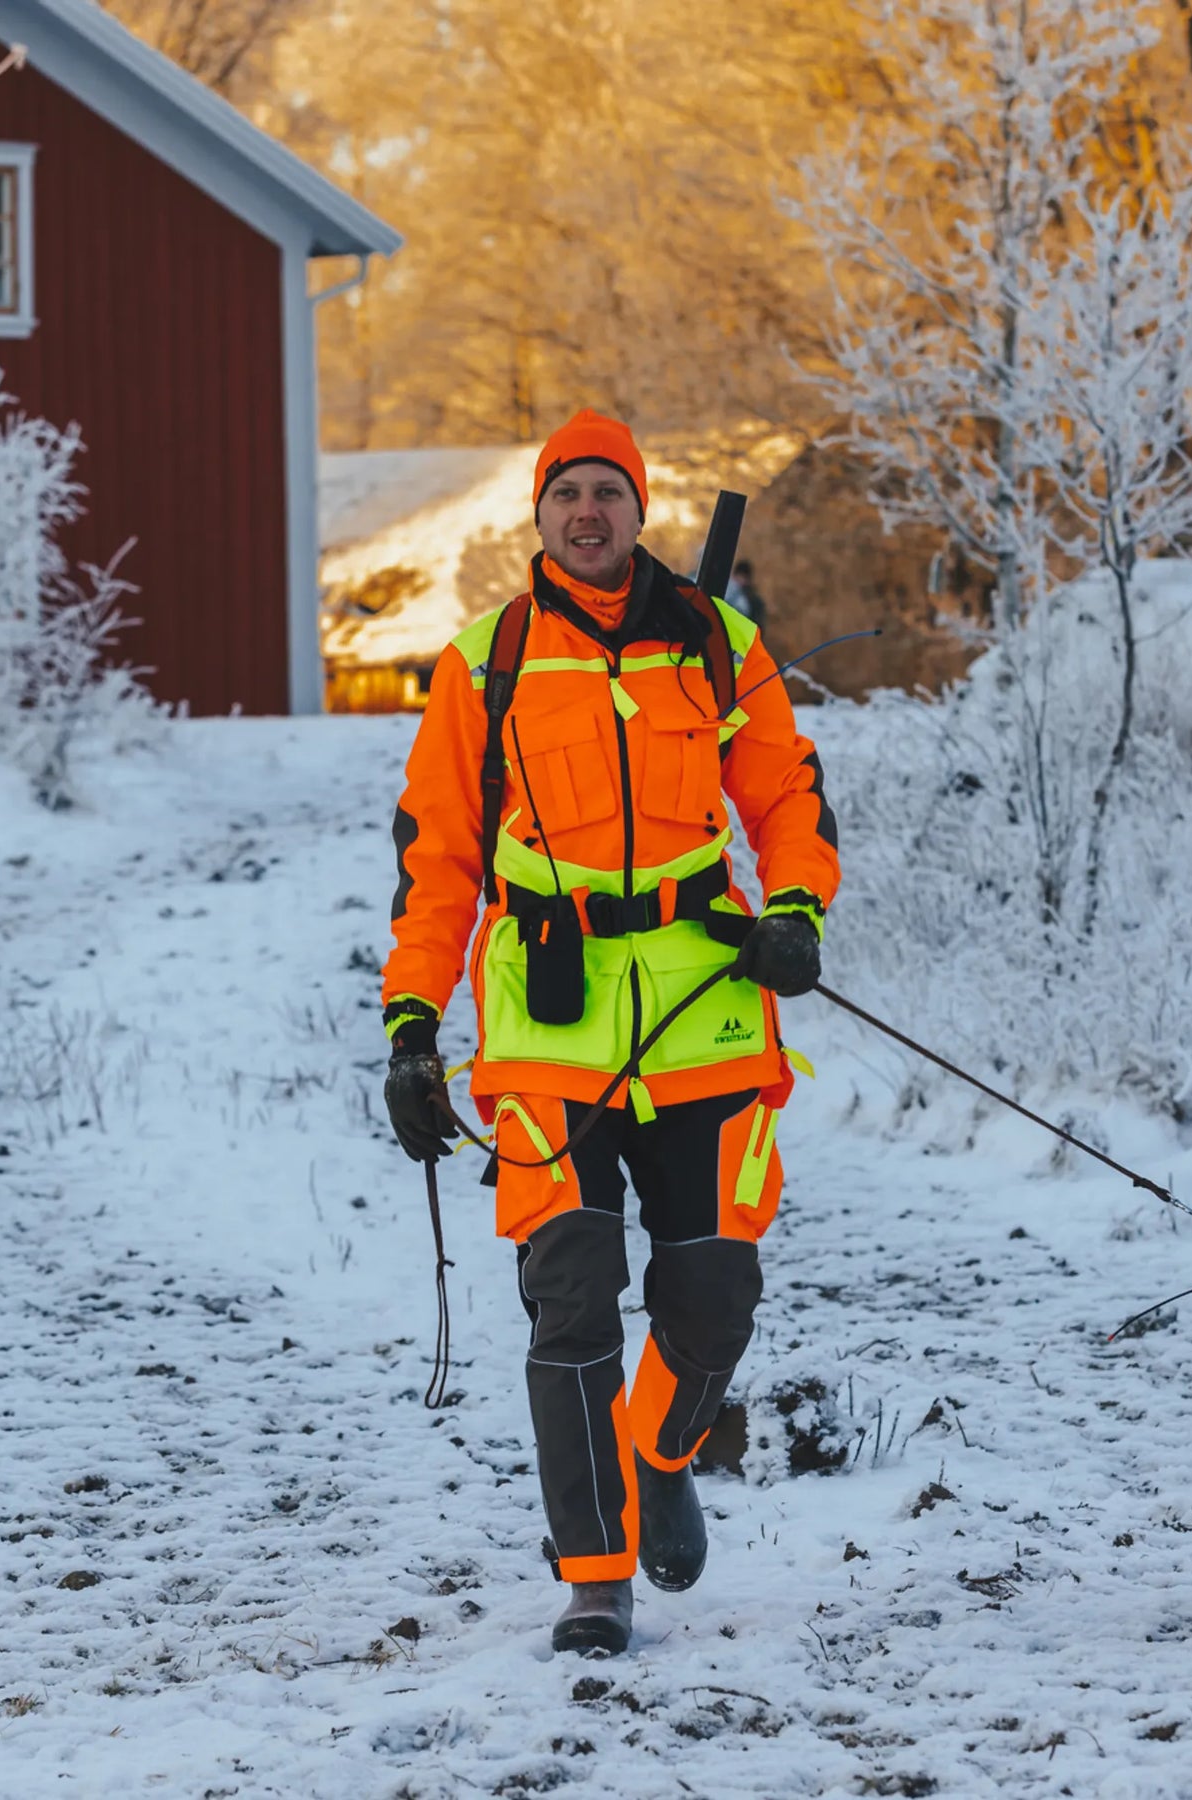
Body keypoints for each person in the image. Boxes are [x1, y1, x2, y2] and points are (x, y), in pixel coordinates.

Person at [379, 409, 840, 1657]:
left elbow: (789, 796)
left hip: (704, 1010)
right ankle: (595, 1575)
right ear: (539, 514)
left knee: (716, 1297)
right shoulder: (486, 662)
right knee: (572, 1297)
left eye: (609, 491)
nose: (588, 511)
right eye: (567, 492)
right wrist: (412, 1021)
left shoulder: (716, 641)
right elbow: (437, 860)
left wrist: (794, 909)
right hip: (550, 1024)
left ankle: (658, 1451)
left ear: (641, 509)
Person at [724, 559, 767, 636]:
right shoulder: (729, 592)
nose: (741, 581)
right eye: (739, 577)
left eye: (743, 578)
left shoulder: (754, 602)